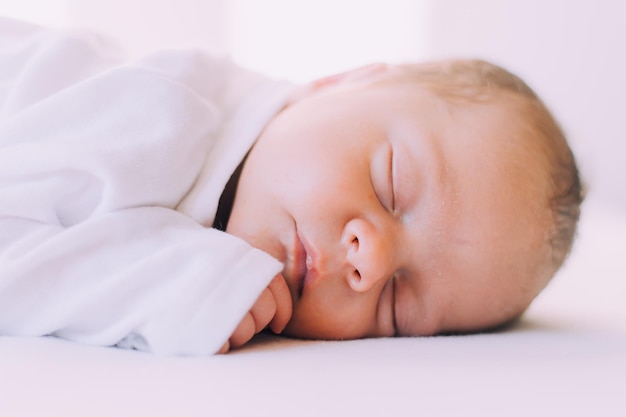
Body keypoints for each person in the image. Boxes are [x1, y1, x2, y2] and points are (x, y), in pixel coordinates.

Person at [0, 17, 583, 356]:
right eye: (392, 186)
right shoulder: (160, 114)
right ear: (338, 82)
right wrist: (171, 282)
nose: (370, 260)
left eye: (397, 307)